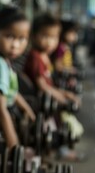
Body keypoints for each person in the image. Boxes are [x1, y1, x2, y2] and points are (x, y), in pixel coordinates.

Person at [24, 13, 84, 161]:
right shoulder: (35, 57)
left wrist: (64, 93)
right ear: (34, 36)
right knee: (44, 134)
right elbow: (42, 85)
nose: (50, 42)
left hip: (47, 102)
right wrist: (63, 97)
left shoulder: (44, 56)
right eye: (45, 36)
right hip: (39, 106)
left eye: (54, 37)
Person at [0, 6, 36, 149]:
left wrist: (27, 110)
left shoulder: (5, 62)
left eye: (22, 39)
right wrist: (13, 143)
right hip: (1, 123)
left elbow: (11, 91)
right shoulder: (0, 65)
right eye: (9, 36)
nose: (15, 45)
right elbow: (0, 106)